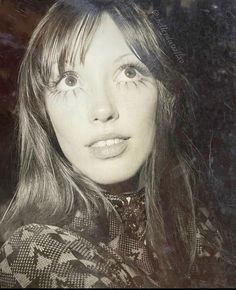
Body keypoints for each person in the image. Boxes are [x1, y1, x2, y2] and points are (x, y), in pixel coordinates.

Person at [0, 0, 233, 288]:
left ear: (166, 95)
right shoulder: (37, 252)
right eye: (69, 81)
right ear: (42, 110)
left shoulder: (198, 221)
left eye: (129, 73)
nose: (102, 109)